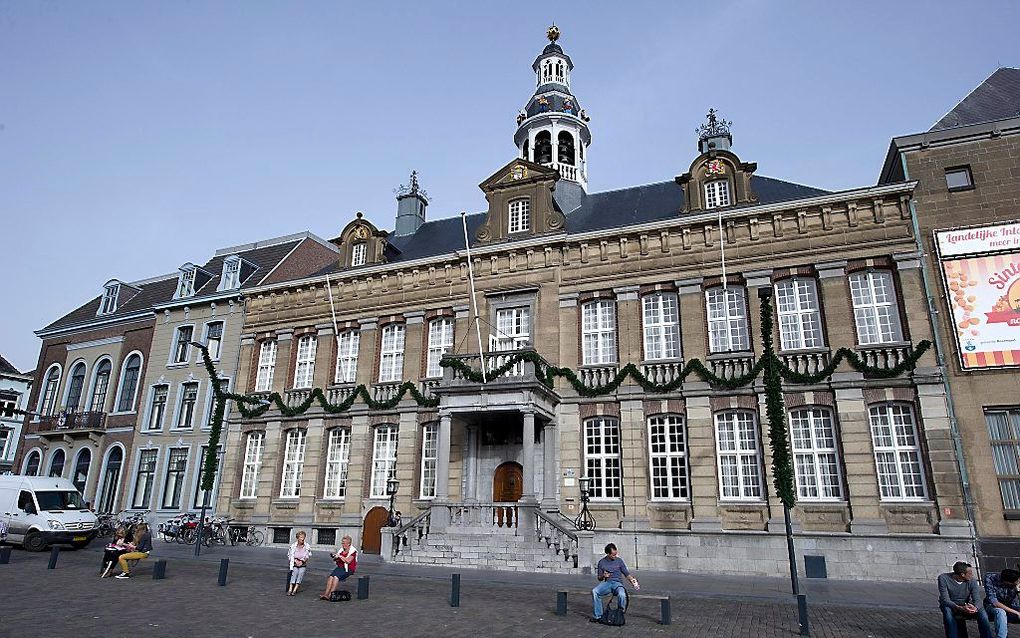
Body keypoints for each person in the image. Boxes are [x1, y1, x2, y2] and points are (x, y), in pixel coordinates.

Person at [938, 561, 992, 638]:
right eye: (970, 573)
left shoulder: (972, 581)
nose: (972, 575)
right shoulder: (943, 578)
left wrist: (975, 607)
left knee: (982, 613)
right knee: (947, 612)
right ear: (962, 575)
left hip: (966, 604)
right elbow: (945, 599)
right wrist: (959, 607)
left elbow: (977, 598)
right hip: (951, 604)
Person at [590, 543, 638, 623]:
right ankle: (597, 616)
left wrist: (633, 581)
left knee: (622, 595)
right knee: (595, 591)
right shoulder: (601, 562)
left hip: (617, 583)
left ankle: (620, 613)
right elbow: (599, 578)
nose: (615, 556)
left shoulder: (619, 561)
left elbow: (626, 574)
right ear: (608, 554)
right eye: (613, 555)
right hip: (607, 583)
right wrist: (603, 576)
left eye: (616, 554)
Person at [319, 535, 358, 601]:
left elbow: (348, 561)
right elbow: (337, 559)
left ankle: (331, 594)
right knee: (331, 577)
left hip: (348, 569)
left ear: (348, 544)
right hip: (340, 567)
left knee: (336, 577)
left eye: (344, 543)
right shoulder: (341, 550)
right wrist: (335, 557)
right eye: (342, 543)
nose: (342, 544)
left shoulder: (353, 551)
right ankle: (326, 594)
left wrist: (340, 556)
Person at [984, 568, 1020, 638]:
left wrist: (1018, 591)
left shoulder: (1015, 582)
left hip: (1011, 606)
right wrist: (1017, 613)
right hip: (992, 607)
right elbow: (995, 602)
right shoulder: (990, 579)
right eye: (1016, 581)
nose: (1018, 582)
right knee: (1001, 612)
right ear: (1007, 582)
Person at [287, 531, 311, 596]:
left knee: (300, 573)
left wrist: (302, 561)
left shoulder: (307, 546)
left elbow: (308, 555)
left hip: (302, 563)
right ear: (298, 538)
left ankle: (295, 589)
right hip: (295, 562)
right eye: (301, 537)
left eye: (303, 537)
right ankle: (290, 588)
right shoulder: (293, 546)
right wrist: (295, 561)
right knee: (294, 573)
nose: (302, 539)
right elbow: (289, 555)